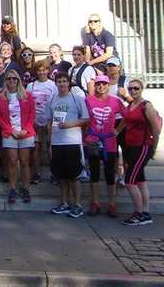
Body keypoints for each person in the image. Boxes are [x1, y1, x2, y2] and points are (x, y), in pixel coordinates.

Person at [49, 73, 90, 218]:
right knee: (61, 176)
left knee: (74, 175)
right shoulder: (52, 99)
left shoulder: (77, 98)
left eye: (64, 81)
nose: (61, 84)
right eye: (59, 81)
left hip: (72, 141)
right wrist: (50, 142)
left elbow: (85, 118)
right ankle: (64, 203)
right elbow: (50, 121)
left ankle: (77, 204)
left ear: (68, 83)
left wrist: (70, 124)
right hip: (57, 142)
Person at [121, 79, 160, 225]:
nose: (133, 91)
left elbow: (155, 128)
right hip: (131, 146)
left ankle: (138, 213)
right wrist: (116, 131)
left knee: (130, 181)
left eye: (136, 88)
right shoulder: (131, 104)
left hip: (143, 146)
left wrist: (153, 148)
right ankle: (145, 212)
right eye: (130, 88)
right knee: (140, 181)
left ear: (141, 89)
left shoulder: (146, 105)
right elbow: (125, 120)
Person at [84, 74, 124, 218]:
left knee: (109, 174)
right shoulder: (88, 100)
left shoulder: (115, 101)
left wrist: (118, 130)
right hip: (94, 140)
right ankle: (95, 202)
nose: (101, 86)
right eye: (98, 84)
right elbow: (84, 118)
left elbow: (126, 115)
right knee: (94, 173)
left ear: (108, 86)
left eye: (104, 84)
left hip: (109, 141)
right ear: (95, 86)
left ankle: (112, 204)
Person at [0, 70, 36, 204]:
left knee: (24, 162)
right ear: (5, 81)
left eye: (14, 78)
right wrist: (10, 130)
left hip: (26, 133)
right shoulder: (1, 97)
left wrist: (25, 129)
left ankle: (25, 188)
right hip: (9, 133)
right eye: (9, 78)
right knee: (12, 161)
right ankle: (12, 188)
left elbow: (32, 114)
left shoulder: (27, 95)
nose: (12, 81)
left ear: (18, 80)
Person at [26, 60, 58, 184]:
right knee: (36, 148)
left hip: (50, 121)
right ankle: (37, 173)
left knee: (51, 148)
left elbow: (56, 103)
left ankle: (54, 173)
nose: (42, 72)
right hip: (35, 121)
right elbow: (28, 105)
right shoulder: (31, 86)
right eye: (39, 70)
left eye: (44, 69)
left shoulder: (53, 86)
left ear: (48, 70)